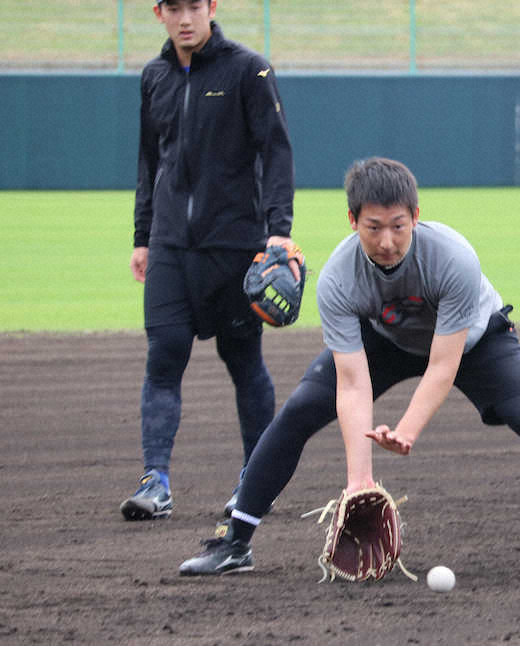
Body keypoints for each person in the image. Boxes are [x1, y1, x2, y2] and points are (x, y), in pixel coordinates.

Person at [178, 157, 520, 575]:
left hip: (474, 340)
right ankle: (234, 542)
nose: (387, 241)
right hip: (386, 340)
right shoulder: (338, 279)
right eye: (373, 227)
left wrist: (406, 430)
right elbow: (352, 384)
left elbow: (443, 365)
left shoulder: (453, 258)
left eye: (398, 226)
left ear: (416, 217)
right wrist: (359, 481)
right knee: (300, 409)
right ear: (352, 221)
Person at [121, 0, 296, 521]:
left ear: (211, 7)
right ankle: (155, 482)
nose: (185, 18)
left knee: (243, 360)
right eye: (174, 8)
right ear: (158, 13)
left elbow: (276, 150)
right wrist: (142, 236)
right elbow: (149, 160)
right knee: (164, 355)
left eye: (194, 6)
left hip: (235, 246)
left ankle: (255, 482)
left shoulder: (249, 69)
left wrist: (278, 232)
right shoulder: (154, 77)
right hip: (171, 244)